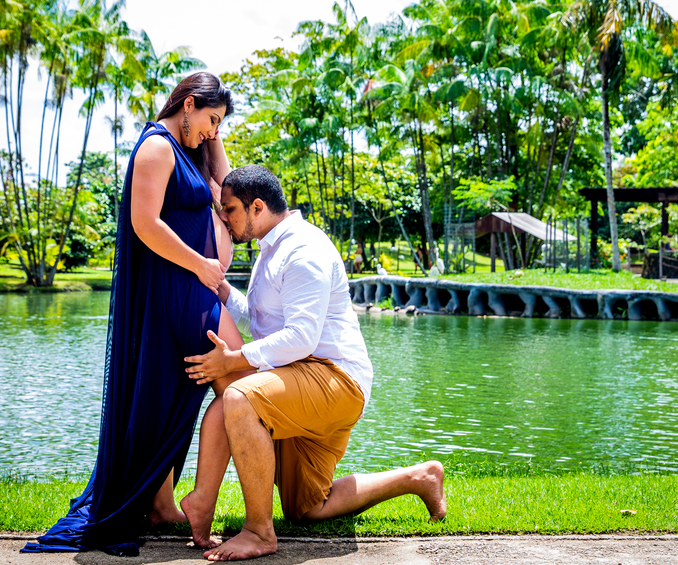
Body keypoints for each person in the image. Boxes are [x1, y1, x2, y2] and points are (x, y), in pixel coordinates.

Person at [22, 72, 246, 556]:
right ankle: (211, 504)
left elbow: (226, 187)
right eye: (211, 119)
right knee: (241, 383)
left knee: (165, 392)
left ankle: (162, 505)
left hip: (190, 288)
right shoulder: (158, 148)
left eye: (219, 124)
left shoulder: (188, 147)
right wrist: (201, 264)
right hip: (179, 289)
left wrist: (213, 131)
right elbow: (144, 224)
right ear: (188, 103)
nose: (213, 131)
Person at [183, 165, 446, 562]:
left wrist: (233, 360)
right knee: (307, 506)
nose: (224, 217)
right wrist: (222, 291)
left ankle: (258, 531)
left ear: (257, 207)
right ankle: (419, 477)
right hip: (299, 379)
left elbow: (301, 337)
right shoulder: (272, 249)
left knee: (239, 397)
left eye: (230, 208)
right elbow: (264, 321)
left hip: (334, 379)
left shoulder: (304, 249)